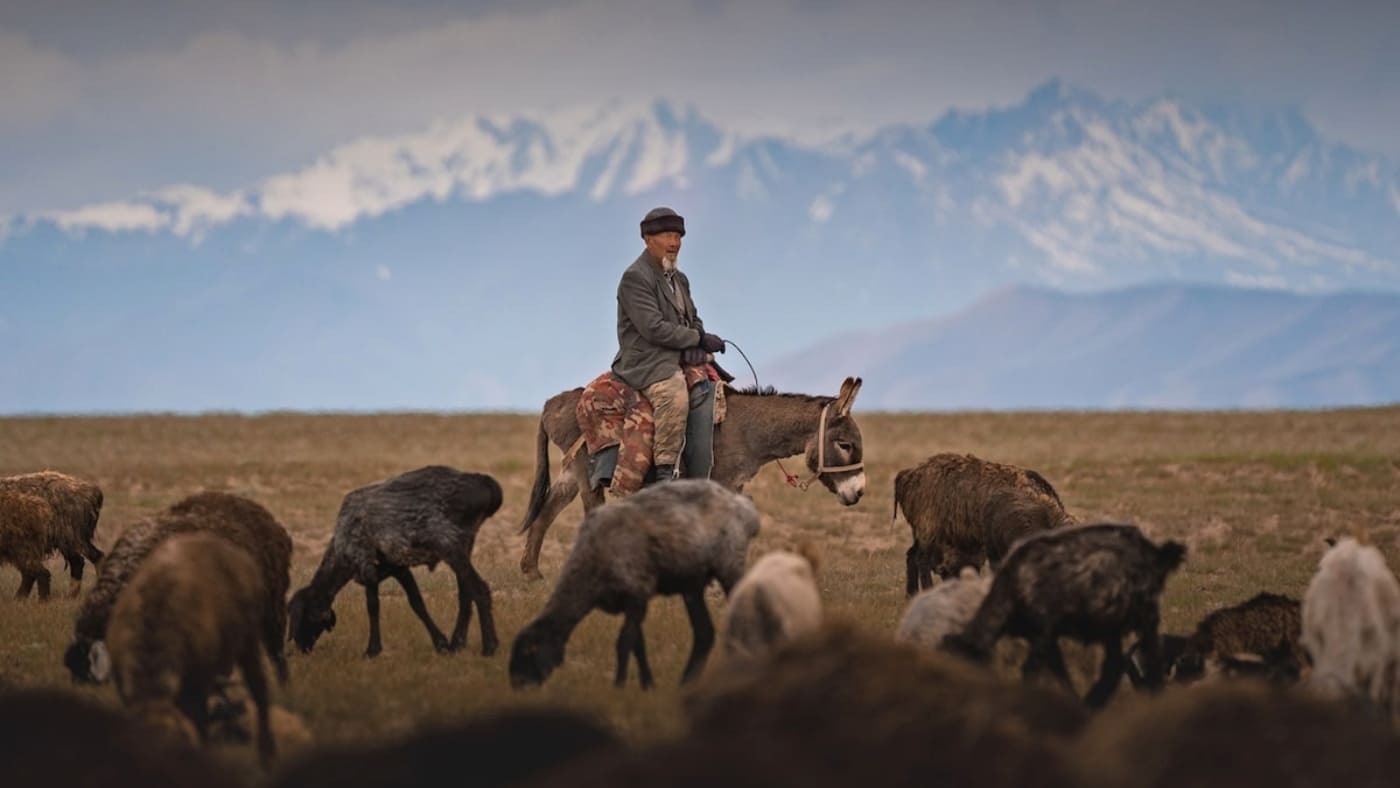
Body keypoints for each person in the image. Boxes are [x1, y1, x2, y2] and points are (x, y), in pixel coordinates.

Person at [611, 207, 726, 484]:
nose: (675, 243)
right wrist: (696, 340)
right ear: (647, 239)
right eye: (667, 235)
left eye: (678, 236)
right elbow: (653, 328)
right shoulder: (635, 277)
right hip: (646, 361)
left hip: (674, 354)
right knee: (674, 395)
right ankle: (666, 473)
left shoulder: (679, 279)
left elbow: (693, 319)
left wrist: (698, 341)